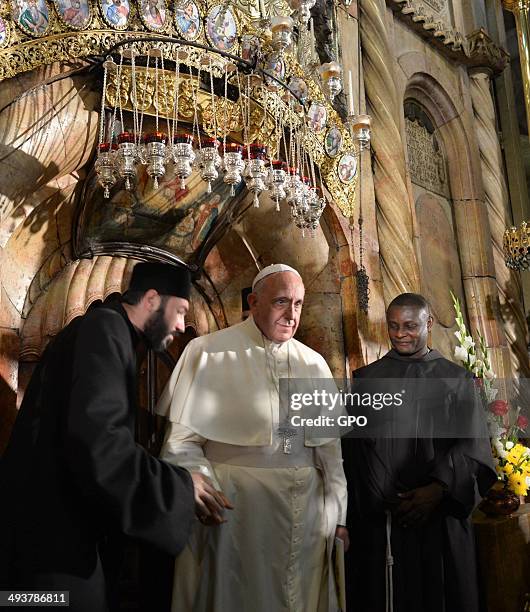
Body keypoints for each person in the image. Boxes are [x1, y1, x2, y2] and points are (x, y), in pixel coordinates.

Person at [0, 262, 207, 612]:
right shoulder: (105, 328)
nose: (180, 325)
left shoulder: (107, 331)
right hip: (52, 552)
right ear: (153, 299)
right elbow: (99, 444)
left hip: (49, 541)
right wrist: (183, 486)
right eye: (180, 311)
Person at [156, 263, 349, 612]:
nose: (292, 315)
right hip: (232, 513)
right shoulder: (206, 352)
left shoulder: (314, 364)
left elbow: (330, 456)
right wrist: (205, 486)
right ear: (253, 302)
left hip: (304, 515)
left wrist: (339, 518)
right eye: (281, 302)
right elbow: (180, 444)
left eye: (299, 304)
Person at [342, 292, 497, 612]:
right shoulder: (367, 380)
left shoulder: (456, 380)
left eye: (410, 326)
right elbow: (355, 450)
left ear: (429, 324)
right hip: (387, 520)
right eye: (394, 326)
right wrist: (385, 496)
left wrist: (438, 488)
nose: (400, 334)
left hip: (441, 516)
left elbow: (471, 443)